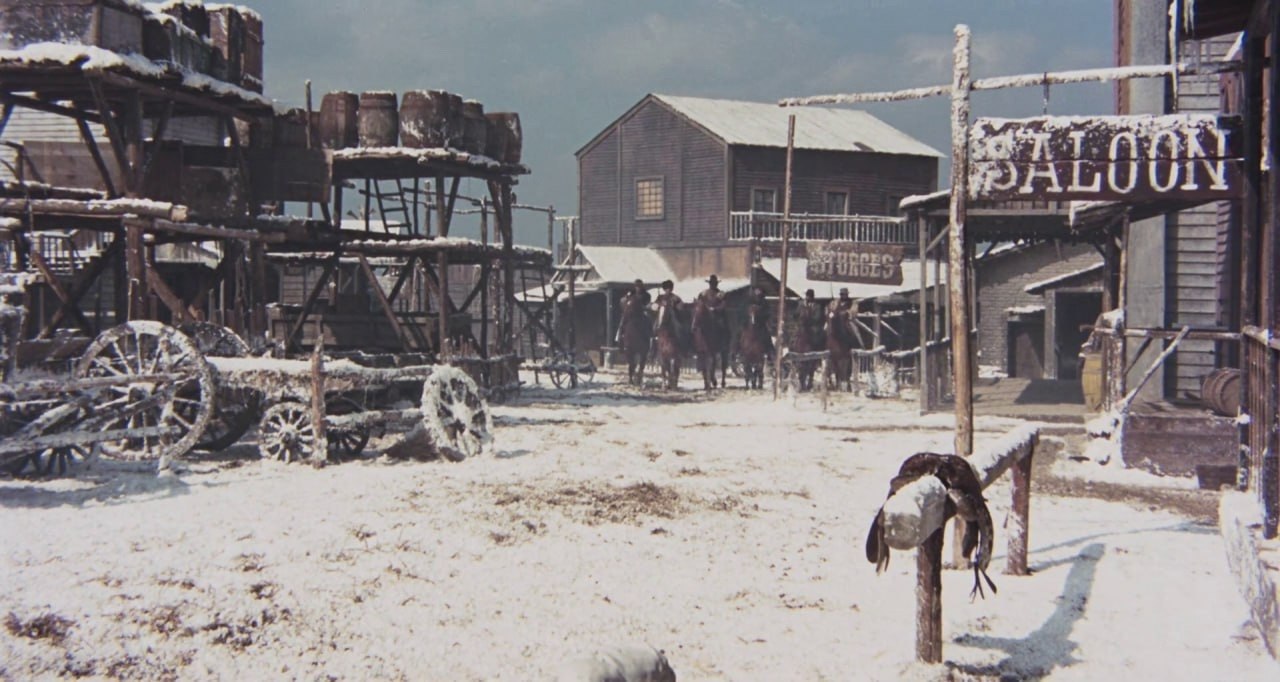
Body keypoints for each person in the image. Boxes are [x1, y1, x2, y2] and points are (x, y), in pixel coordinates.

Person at [615, 279, 652, 343]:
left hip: (641, 311)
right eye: (636, 287)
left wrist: (644, 306)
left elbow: (647, 303)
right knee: (623, 318)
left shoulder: (646, 295)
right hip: (632, 311)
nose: (638, 288)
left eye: (639, 287)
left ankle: (651, 334)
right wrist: (625, 300)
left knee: (648, 317)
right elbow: (624, 300)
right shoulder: (631, 293)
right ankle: (619, 334)